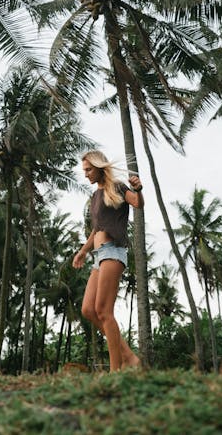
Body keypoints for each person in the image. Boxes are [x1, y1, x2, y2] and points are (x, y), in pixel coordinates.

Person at [72, 150, 143, 371]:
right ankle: (129, 357)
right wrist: (83, 251)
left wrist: (138, 190)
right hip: (98, 256)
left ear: (99, 167)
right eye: (84, 171)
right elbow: (96, 229)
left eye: (88, 170)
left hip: (113, 251)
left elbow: (137, 203)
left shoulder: (118, 187)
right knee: (88, 310)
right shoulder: (95, 197)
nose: (86, 175)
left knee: (104, 311)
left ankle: (116, 370)